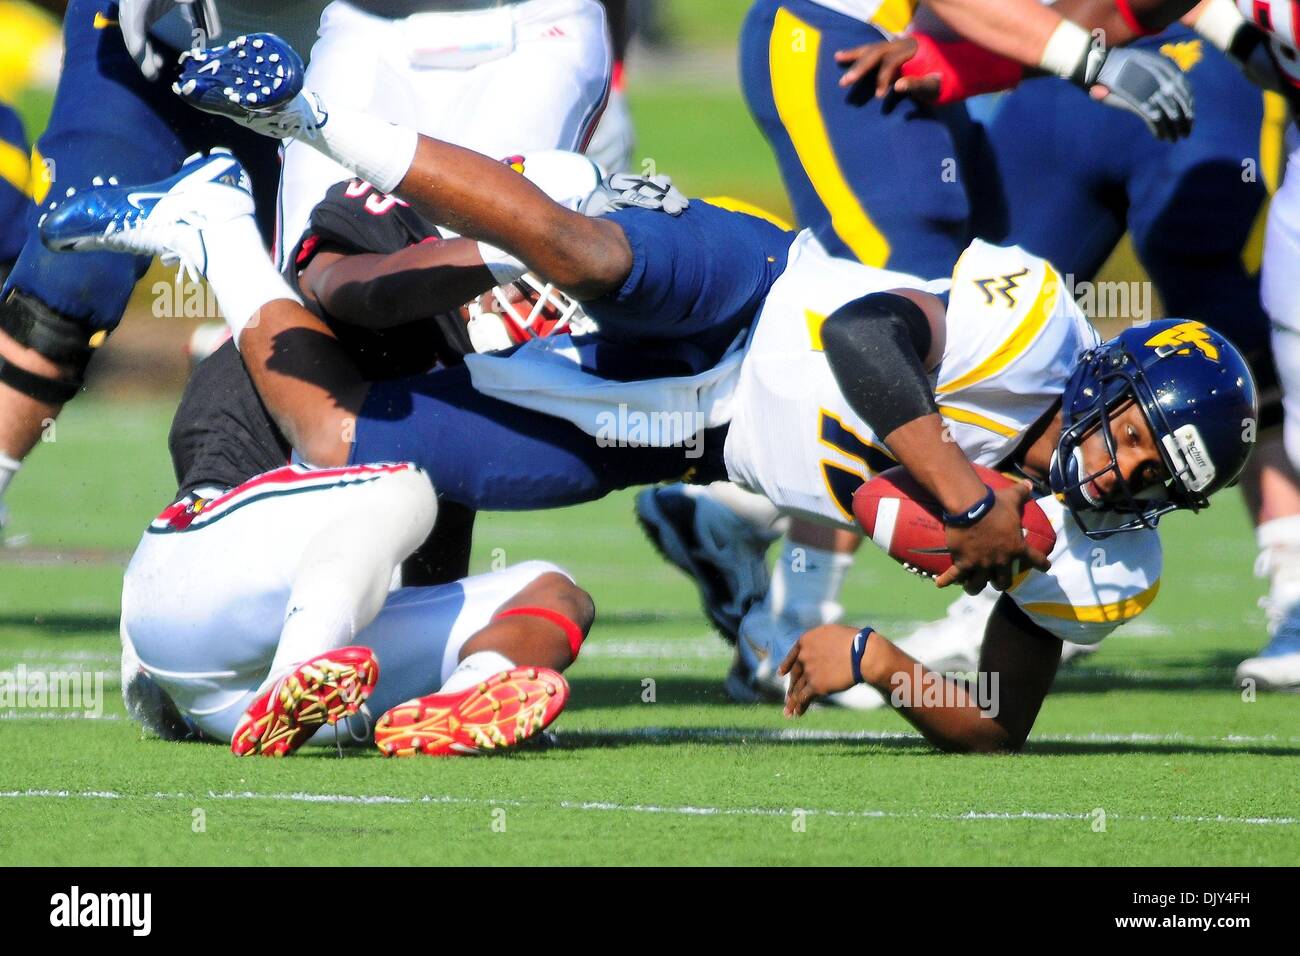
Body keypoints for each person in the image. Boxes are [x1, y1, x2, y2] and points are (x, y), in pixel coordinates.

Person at [43, 40, 1256, 747]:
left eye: (1154, 482)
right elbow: (871, 342)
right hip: (759, 294)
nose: (1122, 474)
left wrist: (883, 661)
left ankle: (213, 226)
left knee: (350, 441)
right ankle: (303, 109)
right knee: (595, 252)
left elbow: (996, 720)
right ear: (1111, 383)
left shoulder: (1102, 557)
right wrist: (957, 492)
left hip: (698, 432)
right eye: (1139, 440)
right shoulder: (1035, 326)